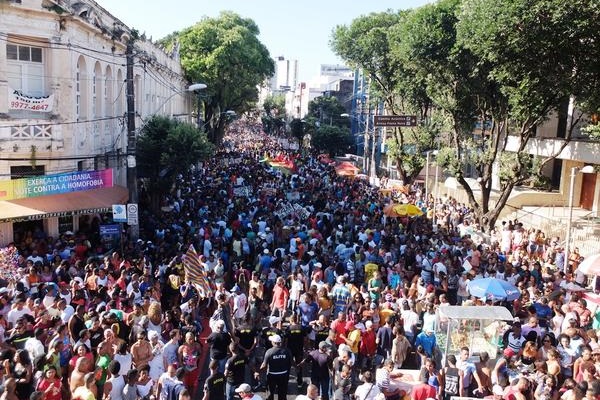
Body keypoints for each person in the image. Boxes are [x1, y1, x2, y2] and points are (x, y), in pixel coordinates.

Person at [258, 334, 292, 400]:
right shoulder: (287, 351)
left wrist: (258, 372)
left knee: (270, 394)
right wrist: (297, 367)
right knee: (282, 394)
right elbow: (291, 362)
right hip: (283, 375)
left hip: (272, 375)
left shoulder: (269, 352)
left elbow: (264, 365)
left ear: (273, 342)